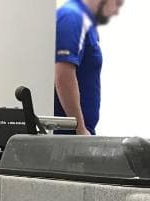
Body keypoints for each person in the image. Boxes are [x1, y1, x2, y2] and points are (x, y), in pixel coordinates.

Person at [54, 0, 124, 135]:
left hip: (75, 133)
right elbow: (63, 74)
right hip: (68, 134)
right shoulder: (73, 16)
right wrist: (79, 128)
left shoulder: (85, 22)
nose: (116, 11)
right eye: (117, 3)